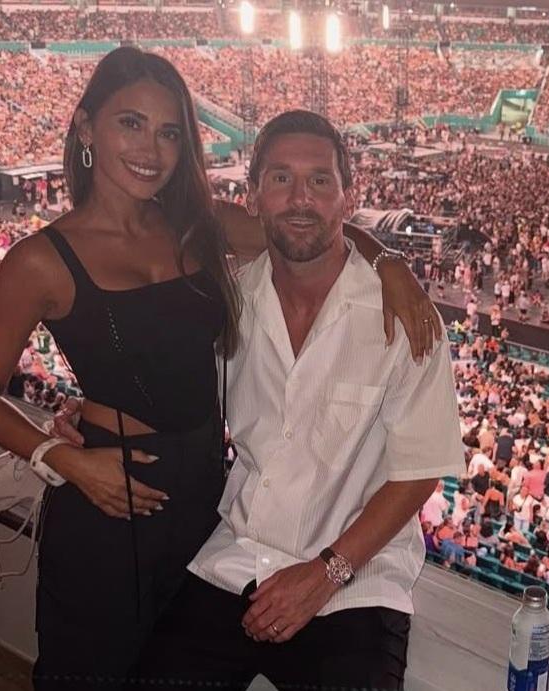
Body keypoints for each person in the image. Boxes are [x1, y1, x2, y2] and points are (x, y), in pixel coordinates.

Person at [0, 51, 436, 691]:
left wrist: (389, 262)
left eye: (170, 132)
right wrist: (61, 458)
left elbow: (311, 228)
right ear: (86, 127)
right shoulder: (39, 261)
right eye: (131, 123)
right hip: (110, 494)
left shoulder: (199, 227)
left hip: (206, 504)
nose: (150, 149)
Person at [129, 110, 466, 690]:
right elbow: (167, 391)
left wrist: (325, 573)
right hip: (235, 559)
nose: (301, 198)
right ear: (254, 196)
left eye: (319, 180)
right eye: (281, 178)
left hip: (356, 581)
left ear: (347, 197)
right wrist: (87, 416)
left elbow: (418, 473)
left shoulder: (403, 318)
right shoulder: (230, 303)